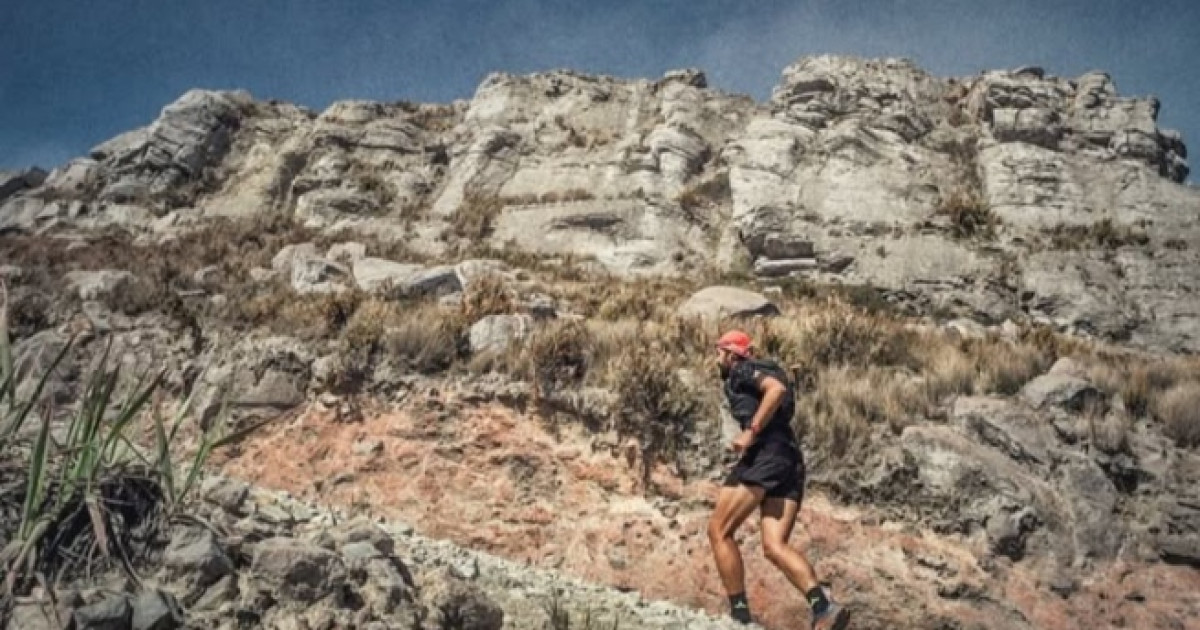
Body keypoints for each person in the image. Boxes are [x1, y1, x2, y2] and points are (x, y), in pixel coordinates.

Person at [707, 330, 850, 629]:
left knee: (719, 530)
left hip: (766, 457)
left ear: (732, 354)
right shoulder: (766, 371)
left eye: (719, 352)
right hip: (789, 460)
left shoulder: (742, 369)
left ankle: (740, 615)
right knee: (774, 545)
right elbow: (779, 391)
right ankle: (823, 607)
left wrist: (751, 430)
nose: (716, 359)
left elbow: (775, 391)